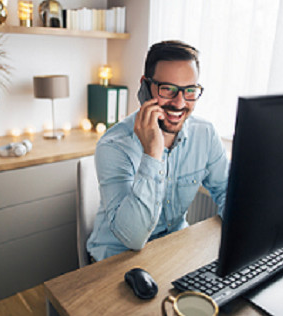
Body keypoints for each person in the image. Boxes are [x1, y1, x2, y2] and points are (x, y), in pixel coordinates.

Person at [87, 40, 229, 261]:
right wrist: (152, 153)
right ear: (145, 87)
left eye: (189, 90)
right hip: (117, 257)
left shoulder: (206, 134)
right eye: (168, 89)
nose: (180, 103)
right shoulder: (114, 145)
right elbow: (133, 239)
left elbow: (227, 189)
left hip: (173, 248)